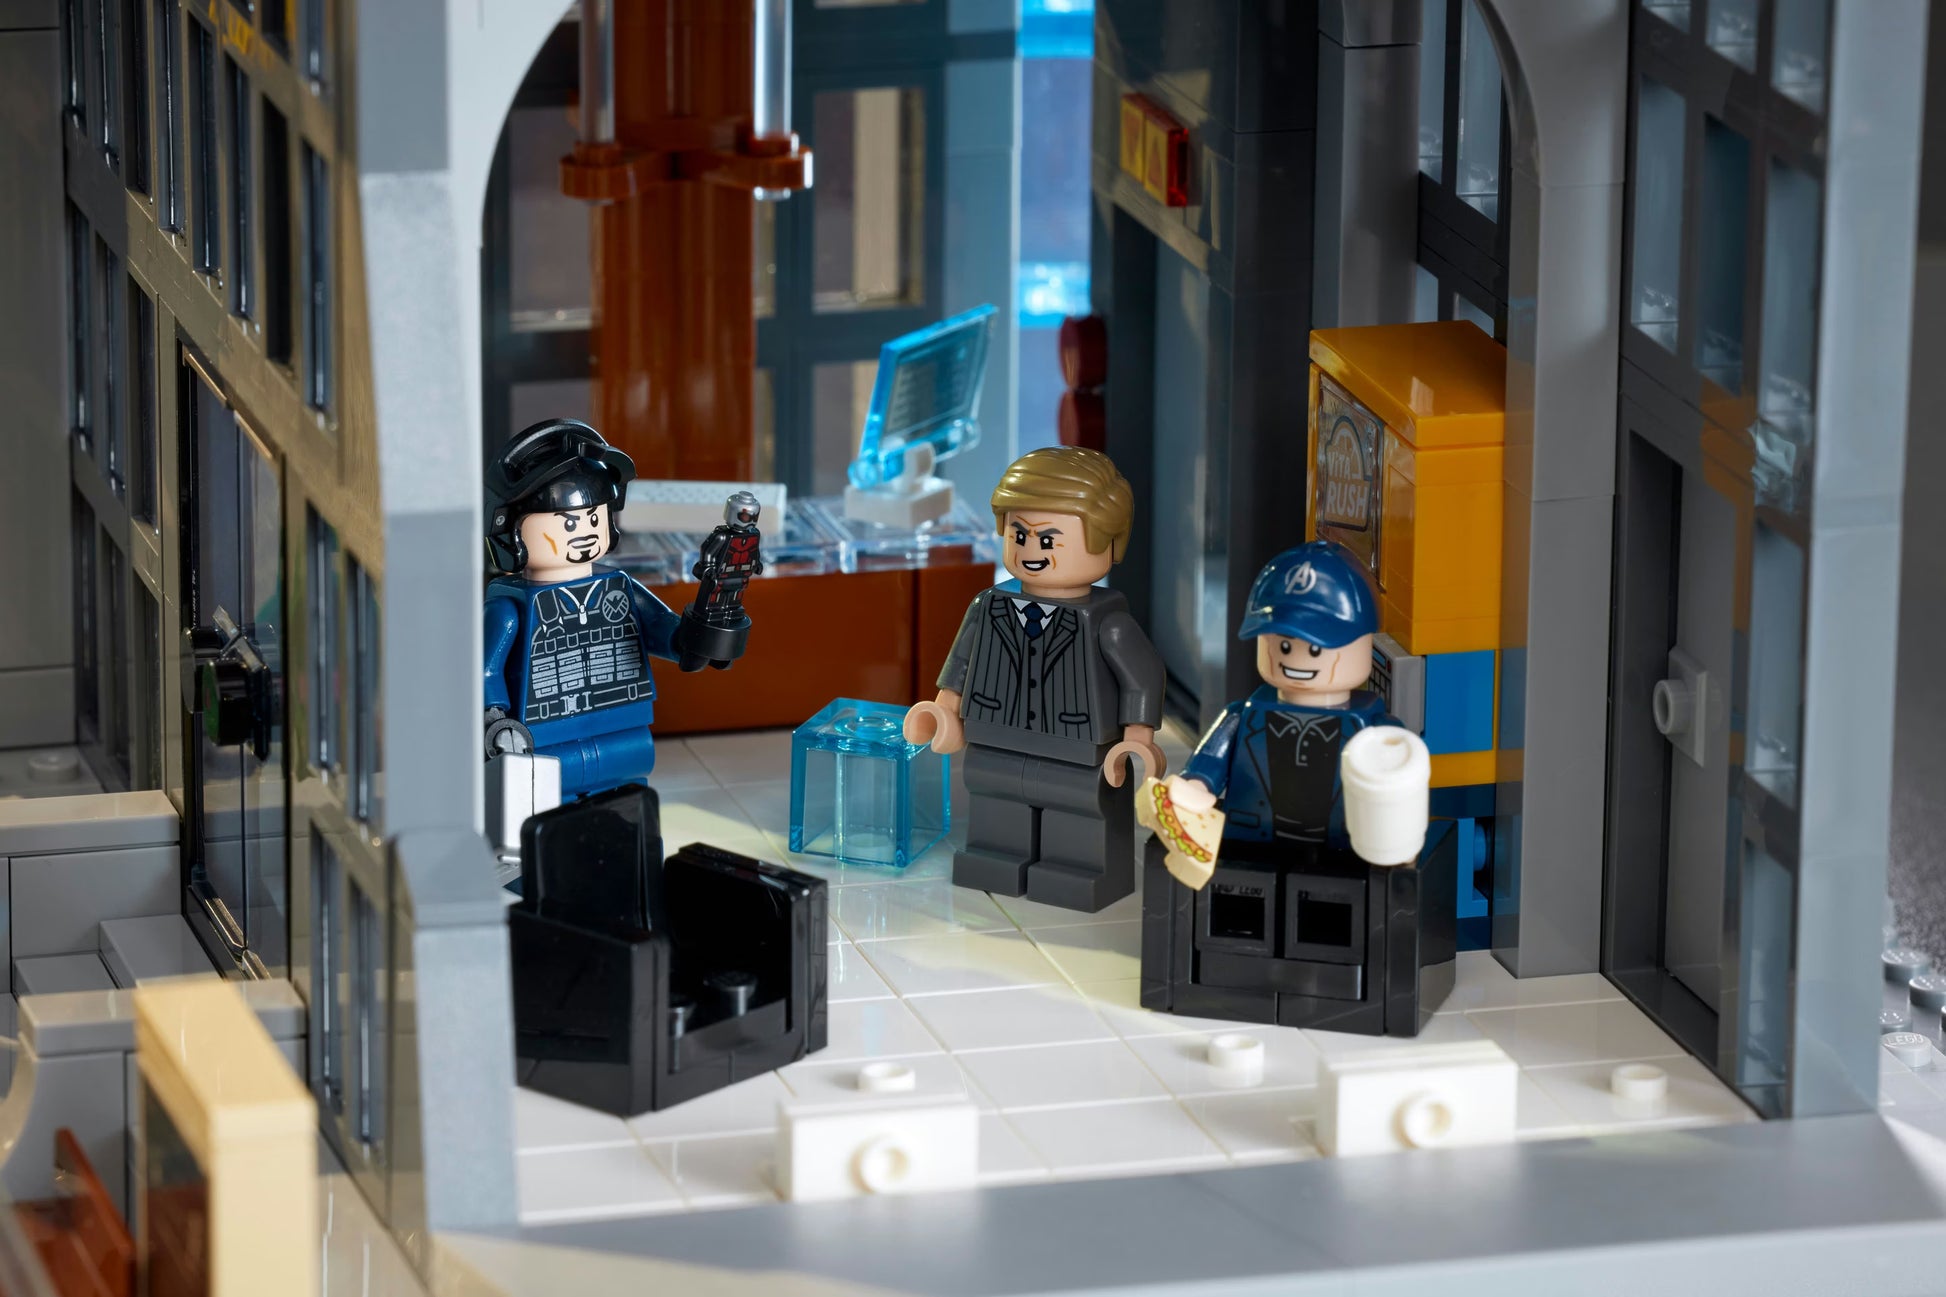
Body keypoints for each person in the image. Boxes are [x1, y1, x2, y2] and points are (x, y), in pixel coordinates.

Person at [904, 447, 1166, 912]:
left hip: (1078, 746)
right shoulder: (989, 606)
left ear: (1108, 542)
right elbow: (961, 662)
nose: (1029, 550)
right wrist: (944, 711)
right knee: (994, 792)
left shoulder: (1108, 622)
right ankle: (996, 856)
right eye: (1019, 534)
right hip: (995, 733)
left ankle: (1079, 869)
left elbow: (1141, 676)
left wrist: (1138, 737)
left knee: (1080, 804)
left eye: (1048, 539)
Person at [482, 418, 736, 798]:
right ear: (511, 531)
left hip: (623, 733)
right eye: (568, 524)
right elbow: (485, 671)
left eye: (594, 518)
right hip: (544, 740)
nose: (585, 532)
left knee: (628, 805)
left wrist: (703, 634)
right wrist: (495, 718)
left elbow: (665, 630)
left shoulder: (619, 588)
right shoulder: (508, 610)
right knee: (547, 809)